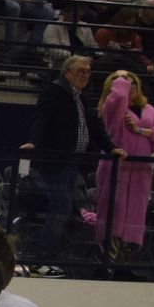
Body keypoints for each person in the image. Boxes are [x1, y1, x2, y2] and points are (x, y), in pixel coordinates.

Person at [23, 55, 123, 273]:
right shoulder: (54, 92)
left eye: (87, 71)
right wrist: (33, 142)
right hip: (55, 161)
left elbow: (95, 126)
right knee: (60, 208)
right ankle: (40, 257)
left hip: (72, 162)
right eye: (80, 71)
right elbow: (41, 118)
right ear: (67, 72)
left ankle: (47, 255)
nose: (84, 75)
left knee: (65, 210)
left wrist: (111, 148)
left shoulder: (82, 97)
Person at [94, 68, 154, 259]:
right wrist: (121, 77)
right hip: (116, 169)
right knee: (115, 215)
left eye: (133, 82)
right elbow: (119, 96)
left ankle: (126, 265)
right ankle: (108, 262)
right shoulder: (110, 106)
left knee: (135, 218)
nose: (129, 85)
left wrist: (140, 131)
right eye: (123, 81)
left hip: (140, 172)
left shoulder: (149, 109)